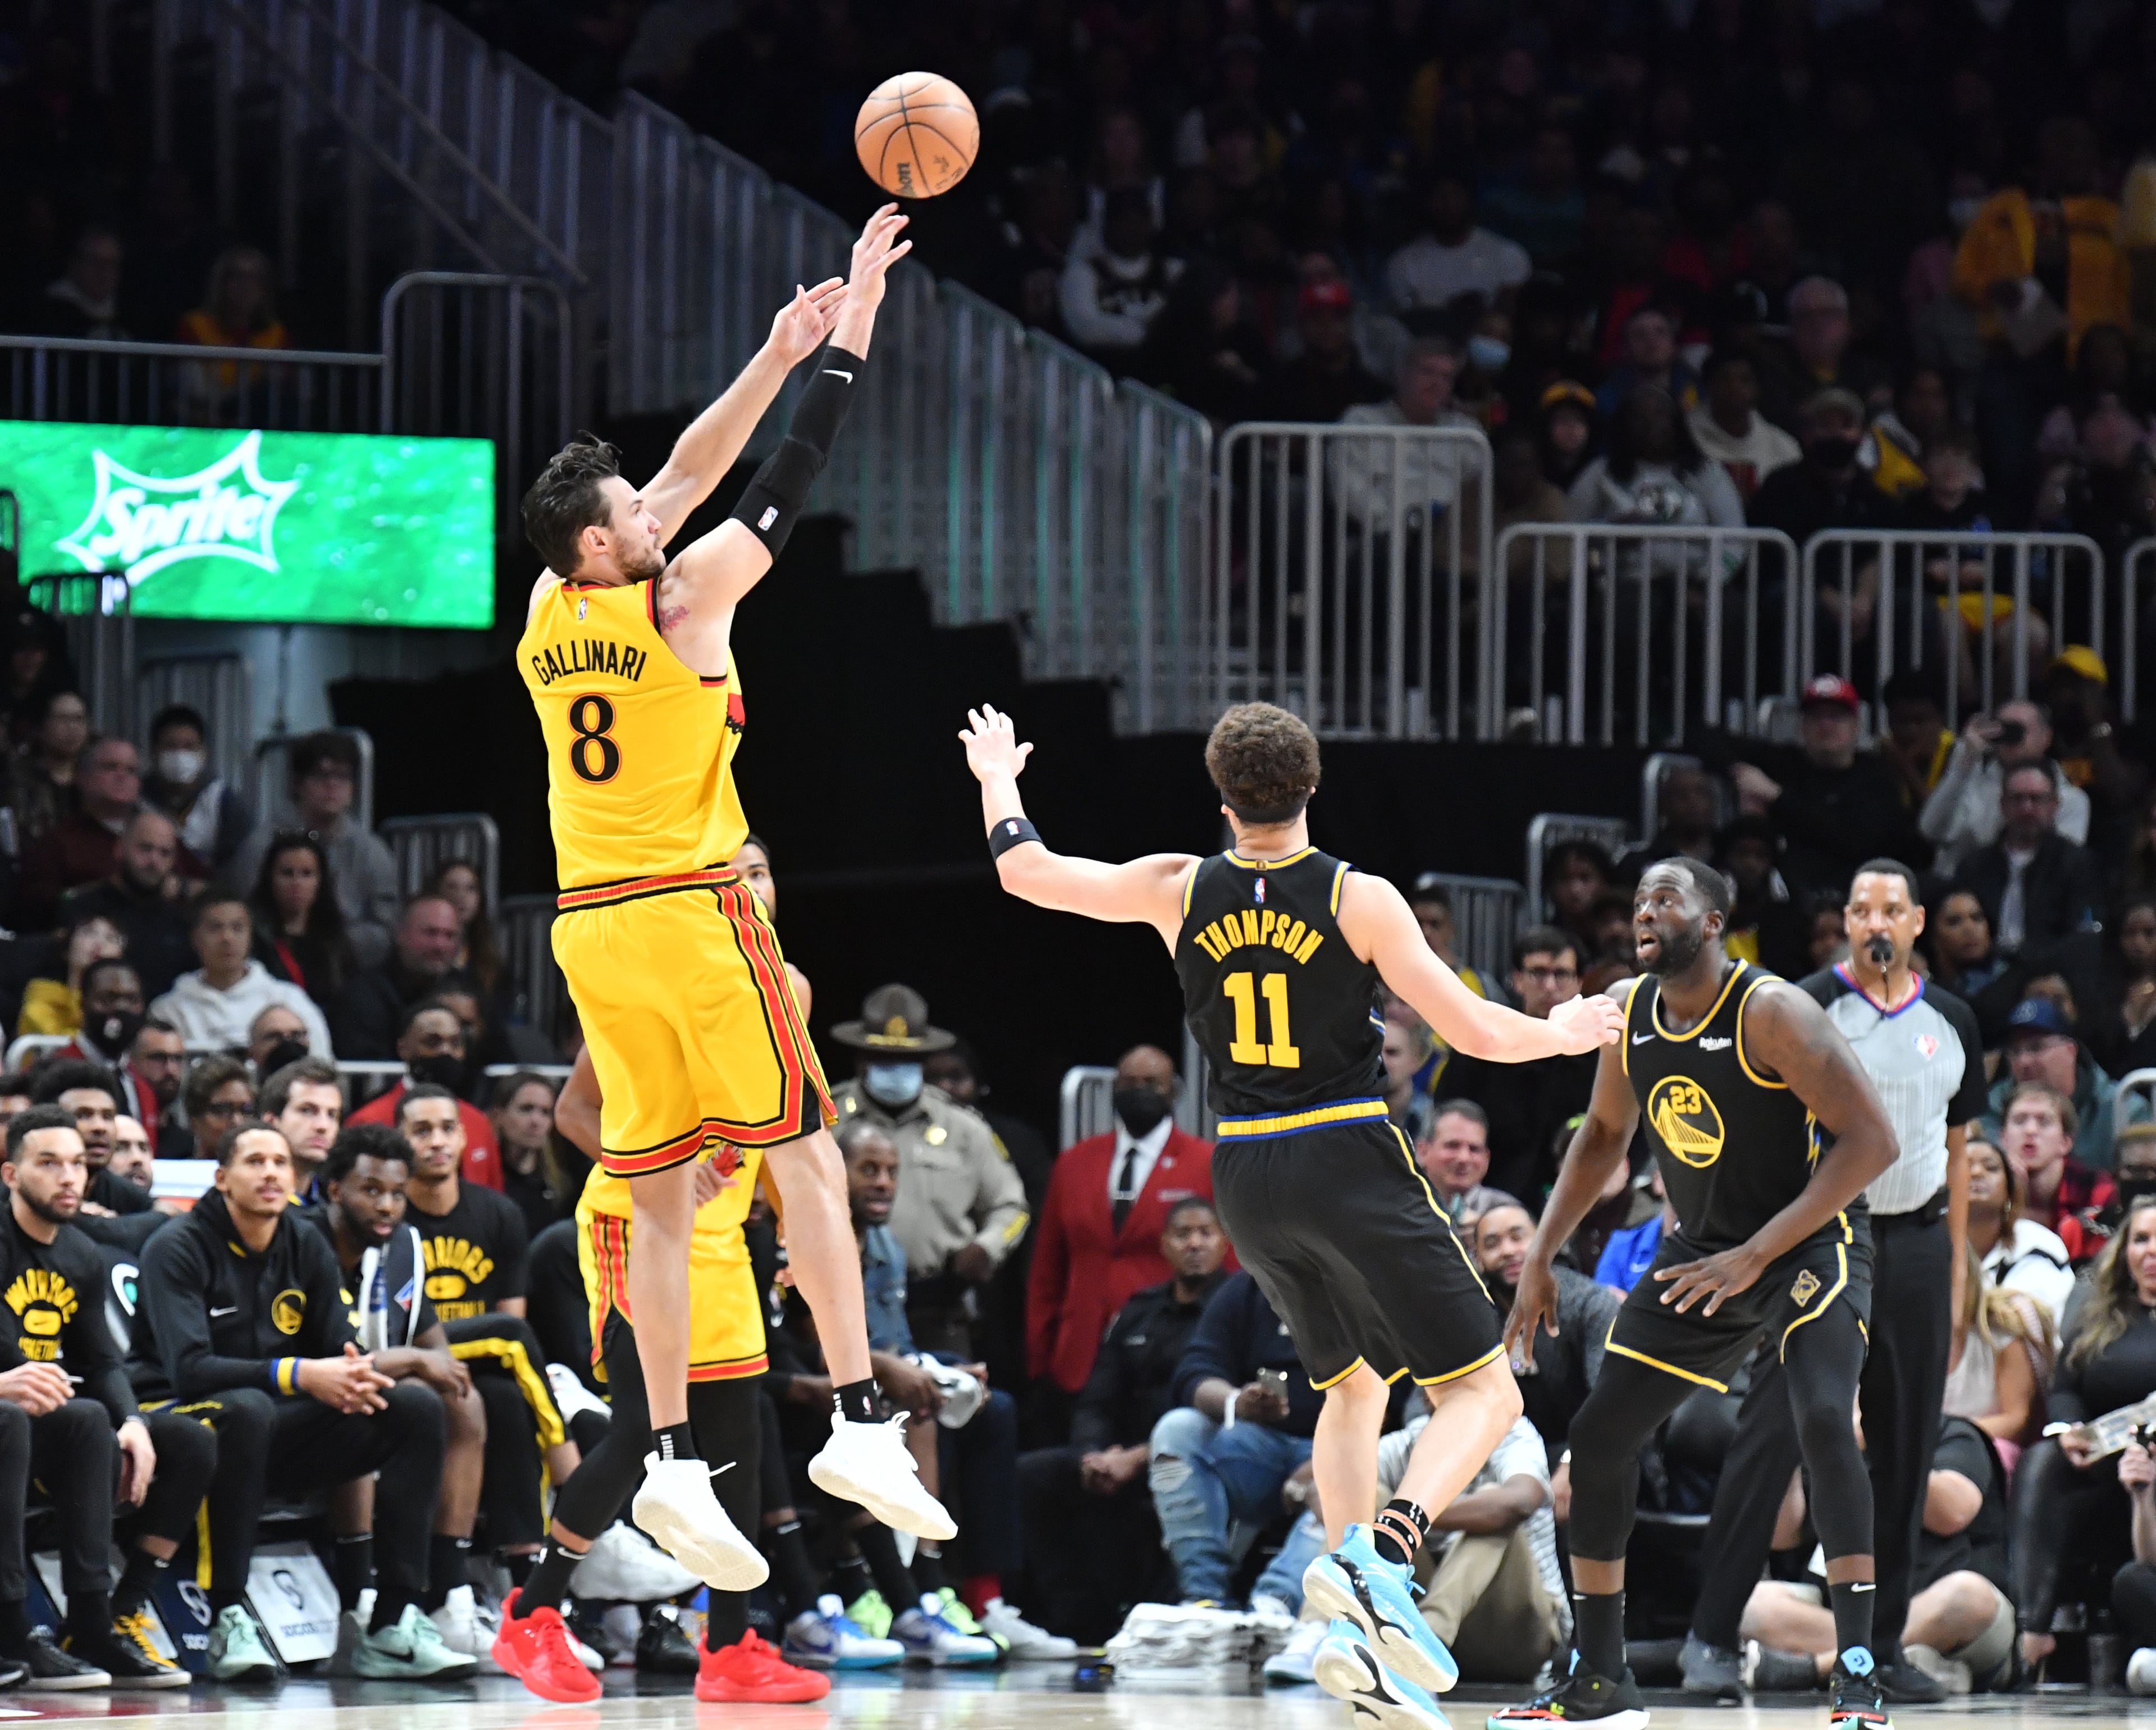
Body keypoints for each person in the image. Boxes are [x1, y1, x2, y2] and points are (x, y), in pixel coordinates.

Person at [960, 699, 1624, 1729]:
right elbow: (1478, 1034)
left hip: (1243, 1171)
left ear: (1222, 800)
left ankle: (1355, 1645)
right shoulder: (1359, 898)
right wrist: (1570, 1027)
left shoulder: (1178, 887)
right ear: (1311, 789)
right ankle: (1385, 1553)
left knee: (1353, 1387)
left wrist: (999, 775)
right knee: (1489, 1394)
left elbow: (1025, 871)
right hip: (1345, 1149)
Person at [511, 207, 947, 1595]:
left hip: (589, 925)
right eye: (629, 516)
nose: (654, 511)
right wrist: (853, 327)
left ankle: (675, 1462)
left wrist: (767, 350)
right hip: (695, 909)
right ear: (608, 552)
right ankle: (862, 1425)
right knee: (808, 1156)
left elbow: (692, 469)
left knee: (646, 1192)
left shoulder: (547, 604)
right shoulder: (684, 603)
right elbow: (787, 473)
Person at [1489, 857, 1898, 1730]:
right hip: (1706, 1253)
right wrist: (1539, 1254)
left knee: (1823, 1418)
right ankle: (1600, 1676)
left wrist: (1758, 1252)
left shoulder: (1772, 1010)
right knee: (1601, 1434)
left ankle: (1858, 1674)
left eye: (1666, 898)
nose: (1645, 910)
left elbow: (1872, 1143)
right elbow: (1605, 1134)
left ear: (1714, 922)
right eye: (1638, 899)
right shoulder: (1630, 1012)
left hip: (1809, 1245)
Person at [1679, 860, 1986, 1704]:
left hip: (1919, 1243)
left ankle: (1877, 1649)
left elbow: (1959, 1153)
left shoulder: (1955, 1020)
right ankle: (1710, 1633)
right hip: (1822, 1236)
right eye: (1861, 908)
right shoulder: (1804, 1005)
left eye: (1892, 908)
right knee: (1776, 1427)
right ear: (1846, 922)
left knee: (1904, 1445)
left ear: (1917, 921)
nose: (1876, 920)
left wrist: (1957, 1271)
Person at [494, 1048, 841, 1705]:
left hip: (724, 1240)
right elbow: (573, 1112)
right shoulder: (638, 985)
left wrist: (796, 1223)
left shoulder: (784, 991)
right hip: (635, 1222)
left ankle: (729, 1649)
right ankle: (529, 1616)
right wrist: (659, 1168)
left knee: (741, 1436)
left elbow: (791, 1129)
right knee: (641, 1431)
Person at [129, 1119, 472, 1678]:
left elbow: (341, 1348)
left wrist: (357, 1376)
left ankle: (391, 1621)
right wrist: (300, 1373)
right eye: (254, 1162)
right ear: (222, 1178)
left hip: (273, 1424)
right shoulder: (179, 1247)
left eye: (280, 1163)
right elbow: (190, 1371)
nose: (270, 1173)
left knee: (414, 1407)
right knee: (247, 1410)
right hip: (176, 1418)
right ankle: (227, 1617)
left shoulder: (303, 1240)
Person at [0, 1106, 209, 1688]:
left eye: (76, 1165)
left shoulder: (79, 1255)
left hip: (41, 1420)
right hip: (8, 1416)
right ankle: (10, 1629)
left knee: (165, 1434)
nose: (69, 1178)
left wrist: (135, 1422)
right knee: (28, 1418)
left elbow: (99, 1360)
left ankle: (99, 1618)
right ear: (12, 1175)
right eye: (49, 1164)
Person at [837, 1118, 1054, 1657]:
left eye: (891, 1171)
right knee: (912, 1408)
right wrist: (905, 1372)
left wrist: (944, 1368)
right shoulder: (819, 1239)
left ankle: (982, 1595)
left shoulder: (886, 1246)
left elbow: (896, 1341)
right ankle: (909, 1591)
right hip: (823, 1382)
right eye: (868, 1170)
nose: (884, 1182)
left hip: (876, 1371)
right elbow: (818, 1347)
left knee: (989, 1405)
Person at [394, 1090, 586, 1634]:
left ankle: (527, 1589)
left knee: (501, 1397)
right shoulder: (388, 1210)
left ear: (463, 1137)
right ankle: (571, 1479)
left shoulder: (498, 1213)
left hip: (481, 1370)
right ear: (400, 1141)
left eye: (447, 1128)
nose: (435, 1141)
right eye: (421, 1130)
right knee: (508, 1336)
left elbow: (512, 1326)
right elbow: (509, 1330)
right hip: (406, 1359)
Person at [1018, 1195, 1229, 1644]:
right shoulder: (1139, 1308)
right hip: (1119, 1453)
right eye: (1182, 1234)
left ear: (1224, 1242)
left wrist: (1135, 1458)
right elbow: (1098, 1395)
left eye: (1205, 1233)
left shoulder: (1235, 1308)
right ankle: (1073, 1623)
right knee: (1034, 1475)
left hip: (1193, 1455)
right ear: (1164, 1245)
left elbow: (1224, 1411)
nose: (1194, 1244)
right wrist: (1094, 1454)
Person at [828, 985, 1028, 1359]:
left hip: (937, 1309)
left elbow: (1013, 1207)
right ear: (861, 1059)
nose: (895, 1068)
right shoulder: (828, 1121)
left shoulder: (965, 1128)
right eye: (883, 1057)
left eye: (908, 1059)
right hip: (844, 1303)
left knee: (951, 1409)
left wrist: (987, 1247)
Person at [1129, 1268, 1328, 1626]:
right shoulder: (1250, 1287)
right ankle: (1204, 1598)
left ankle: (1276, 1602)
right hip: (1260, 1446)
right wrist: (1236, 1403)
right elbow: (1195, 1370)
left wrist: (1327, 1458)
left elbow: (1393, 1401)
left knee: (1344, 1479)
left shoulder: (1364, 1283)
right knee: (1178, 1430)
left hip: (1345, 1447)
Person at [2013, 1201, 2156, 1679]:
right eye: (2140, 1239)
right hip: (2105, 1460)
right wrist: (2068, 1429)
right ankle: (2030, 1630)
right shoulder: (2101, 1315)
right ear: (2124, 1252)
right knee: (2043, 1461)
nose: (2152, 1250)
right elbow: (2066, 1388)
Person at [1029, 1043, 1216, 1399]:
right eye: (1128, 1084)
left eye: (1151, 1083)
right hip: (1079, 1355)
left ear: (1173, 1093)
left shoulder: (1205, 1164)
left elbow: (1226, 1267)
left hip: (1166, 1356)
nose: (1139, 1093)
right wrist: (1040, 1359)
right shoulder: (1075, 1163)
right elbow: (1046, 1271)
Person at [1373, 1402, 1564, 1685]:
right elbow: (1327, 1487)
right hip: (1432, 1622)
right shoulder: (1409, 1441)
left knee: (1495, 1507)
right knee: (1365, 1496)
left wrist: (1411, 1516)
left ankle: (1426, 1638)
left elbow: (1522, 1500)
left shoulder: (1510, 1431)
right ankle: (1317, 1632)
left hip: (1514, 1630)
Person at [1728, 675, 1933, 901]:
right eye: (1817, 716)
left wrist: (1776, 797)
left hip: (1858, 897)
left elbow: (1857, 840)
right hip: (1791, 898)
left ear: (1855, 726)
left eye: (1836, 717)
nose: (1826, 725)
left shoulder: (1877, 776)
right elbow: (1708, 741)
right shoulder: (1783, 763)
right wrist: (1743, 777)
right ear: (1803, 725)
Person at [1439, 928, 1599, 1207]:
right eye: (1538, 973)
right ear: (1516, 979)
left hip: (1580, 1205)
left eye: (1561, 974)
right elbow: (1449, 1118)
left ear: (1579, 983)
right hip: (1482, 1203)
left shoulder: (1600, 1055)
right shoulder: (1480, 1043)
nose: (1550, 986)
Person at [223, 732, 399, 966]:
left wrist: (332, 946)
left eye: (343, 777)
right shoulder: (263, 844)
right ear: (297, 784)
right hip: (273, 960)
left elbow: (386, 928)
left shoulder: (372, 851)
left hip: (347, 966)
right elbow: (240, 911)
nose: (333, 785)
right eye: (322, 775)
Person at [1470, 1200, 1619, 1473]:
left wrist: (1573, 1460)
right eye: (1492, 1244)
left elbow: (1613, 1402)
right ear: (1477, 1259)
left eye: (1518, 1237)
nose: (1508, 1251)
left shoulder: (1590, 1304)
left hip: (1594, 1452)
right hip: (1509, 1456)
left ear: (1543, 1241)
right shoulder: (1475, 1315)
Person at [341, 999, 503, 1189]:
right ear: (403, 1049)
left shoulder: (478, 1122)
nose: (446, 1052)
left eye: (455, 1043)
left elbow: (494, 1198)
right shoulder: (367, 1122)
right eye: (433, 1042)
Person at [148, 890, 331, 1056]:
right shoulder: (169, 1010)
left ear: (250, 937)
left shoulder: (290, 1000)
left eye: (237, 928)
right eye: (215, 928)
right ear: (195, 938)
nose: (227, 938)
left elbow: (320, 1064)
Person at [1951, 761, 2102, 960]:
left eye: (2036, 799)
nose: (2027, 808)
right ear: (2003, 804)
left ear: (2054, 804)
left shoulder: (2077, 864)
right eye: (2017, 799)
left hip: (2048, 969)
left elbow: (2080, 935)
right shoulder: (1975, 865)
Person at [1920, 701, 2092, 877]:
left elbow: (2064, 865)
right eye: (2004, 729)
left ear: (2046, 738)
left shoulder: (2070, 798)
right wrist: (1966, 759)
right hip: (1960, 890)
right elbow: (1930, 830)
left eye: (2018, 730)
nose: (2010, 737)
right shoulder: (1970, 782)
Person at [52, 810, 194, 998]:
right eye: (145, 849)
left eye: (165, 853)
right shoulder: (83, 908)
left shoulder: (179, 923)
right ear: (119, 849)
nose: (154, 861)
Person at [1981, 998, 2130, 1175]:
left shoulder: (2122, 1106)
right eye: (2015, 1051)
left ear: (2070, 1051)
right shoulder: (1992, 1105)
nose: (2024, 1061)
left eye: (2036, 1048)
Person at [19, 736, 148, 928]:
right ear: (82, 777)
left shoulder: (159, 837)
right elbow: (33, 909)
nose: (122, 776)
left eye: (131, 770)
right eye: (110, 767)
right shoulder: (57, 843)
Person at [1991, 1079, 2116, 1265]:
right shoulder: (1988, 1190)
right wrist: (2012, 1199)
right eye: (2019, 1121)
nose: (2031, 1130)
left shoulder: (2097, 1189)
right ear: (2003, 1138)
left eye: (2044, 1122)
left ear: (2066, 1142)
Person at [330, 893, 468, 1059]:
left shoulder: (468, 990)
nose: (440, 946)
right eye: (430, 933)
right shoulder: (362, 996)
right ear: (400, 934)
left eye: (450, 936)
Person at [1965, 1133, 2074, 1332]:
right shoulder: (1928, 1246)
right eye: (1965, 1167)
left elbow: (2031, 1320)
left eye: (1991, 1167)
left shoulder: (2039, 1243)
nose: (1977, 1173)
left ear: (2010, 1192)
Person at [1385, 172, 1531, 316]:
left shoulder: (1508, 254)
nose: (1449, 205)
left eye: (1456, 195)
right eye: (1440, 197)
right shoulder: (1404, 262)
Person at [28, 1060, 154, 1222]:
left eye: (108, 1116)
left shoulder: (118, 1189)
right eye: (83, 1115)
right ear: (49, 1122)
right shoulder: (26, 1188)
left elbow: (166, 1212)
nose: (100, 1127)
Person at [248, 831, 354, 1011]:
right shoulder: (253, 938)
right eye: (287, 873)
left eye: (307, 874)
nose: (297, 883)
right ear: (270, 879)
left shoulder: (336, 939)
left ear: (321, 882)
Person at [140, 704, 250, 870]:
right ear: (154, 752)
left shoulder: (226, 805)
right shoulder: (136, 799)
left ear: (204, 753)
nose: (180, 756)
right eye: (170, 746)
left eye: (189, 747)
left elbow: (236, 870)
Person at [1688, 350, 1802, 503]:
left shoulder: (1784, 447)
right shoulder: (1684, 435)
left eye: (1745, 380)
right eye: (1724, 379)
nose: (1735, 387)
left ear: (1758, 388)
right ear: (1709, 384)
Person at [15, 912, 123, 1038]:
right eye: (89, 932)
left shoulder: (123, 1008)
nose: (99, 943)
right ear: (68, 947)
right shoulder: (42, 996)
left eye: (111, 938)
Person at [491, 1070, 566, 1235]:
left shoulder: (562, 1187)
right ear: (498, 1116)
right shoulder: (486, 1180)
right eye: (526, 1109)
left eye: (545, 1112)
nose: (536, 1121)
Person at [262, 1053, 343, 1202]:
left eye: (332, 1115)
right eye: (307, 1110)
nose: (323, 1126)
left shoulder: (338, 1204)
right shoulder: (247, 1204)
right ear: (271, 1121)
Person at [1416, 1101, 1510, 1227]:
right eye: (1452, 1146)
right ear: (1423, 1151)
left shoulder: (1508, 1212)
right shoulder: (1399, 1206)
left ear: (1487, 1158)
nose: (1464, 1158)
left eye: (1474, 1149)